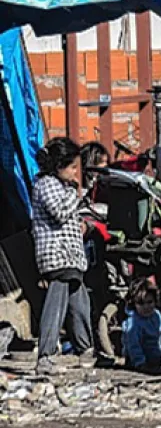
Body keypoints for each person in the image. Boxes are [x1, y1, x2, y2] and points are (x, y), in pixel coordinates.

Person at [31, 137, 93, 374]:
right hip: (56, 255)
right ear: (58, 166)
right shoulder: (46, 184)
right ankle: (45, 355)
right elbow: (59, 212)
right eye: (72, 167)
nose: (76, 173)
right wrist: (76, 193)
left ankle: (86, 350)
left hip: (72, 256)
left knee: (79, 304)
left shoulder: (63, 187)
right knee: (55, 304)